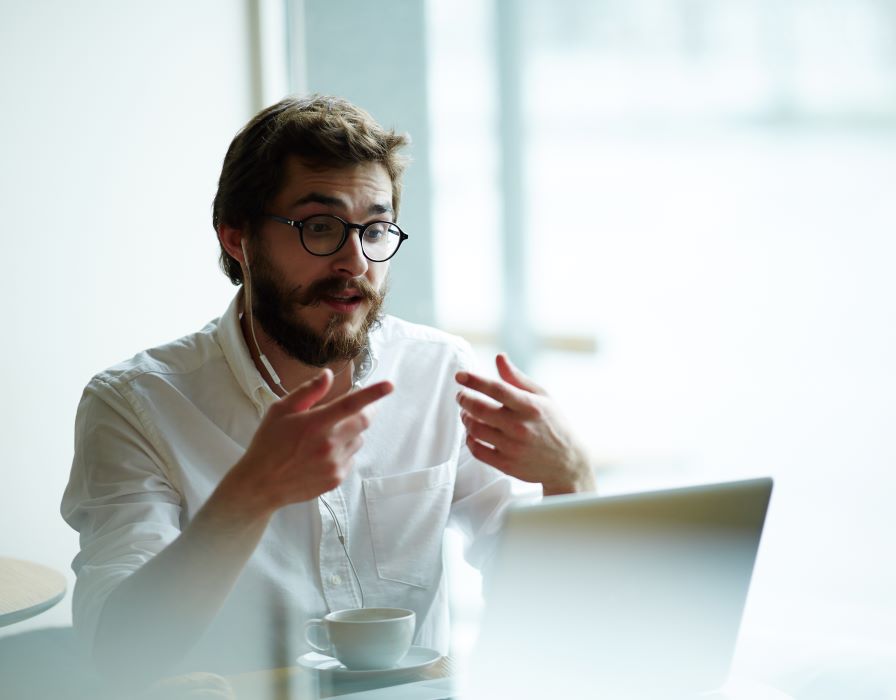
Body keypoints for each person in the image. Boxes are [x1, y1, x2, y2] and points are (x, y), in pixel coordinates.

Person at [61, 95, 595, 683]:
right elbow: (119, 654)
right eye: (320, 227)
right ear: (238, 239)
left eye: (376, 228)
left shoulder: (440, 373)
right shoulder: (136, 405)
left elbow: (546, 609)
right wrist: (250, 493)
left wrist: (569, 479)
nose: (355, 260)